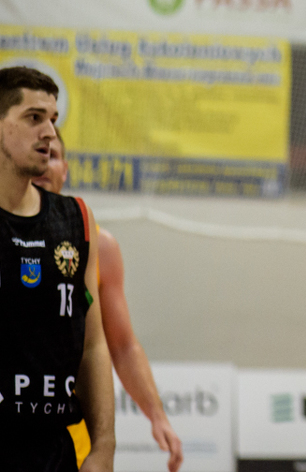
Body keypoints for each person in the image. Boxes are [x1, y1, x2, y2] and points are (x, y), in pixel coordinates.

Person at [34, 135, 184, 472]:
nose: (43, 163)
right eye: (38, 152)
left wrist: (157, 415)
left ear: (65, 169)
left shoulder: (97, 244)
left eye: (53, 155)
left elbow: (122, 345)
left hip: (67, 431)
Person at [1, 67, 115, 472]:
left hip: (53, 450)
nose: (49, 132)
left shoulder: (76, 219)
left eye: (52, 119)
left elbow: (94, 345)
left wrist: (104, 447)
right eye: (34, 118)